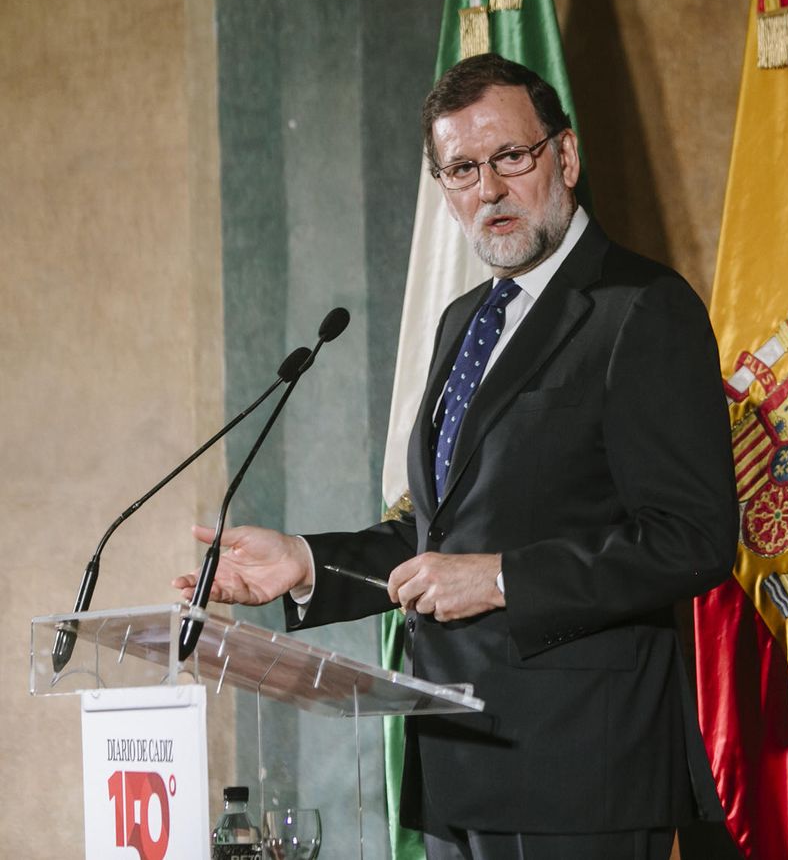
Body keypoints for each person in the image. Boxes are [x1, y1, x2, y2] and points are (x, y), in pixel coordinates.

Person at [176, 53, 738, 860]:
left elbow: (693, 538)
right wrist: (305, 563)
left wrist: (503, 574)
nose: (490, 189)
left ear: (566, 157)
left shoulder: (641, 309)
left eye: (512, 156)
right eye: (463, 168)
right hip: (455, 763)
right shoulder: (466, 319)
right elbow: (443, 535)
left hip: (581, 774)